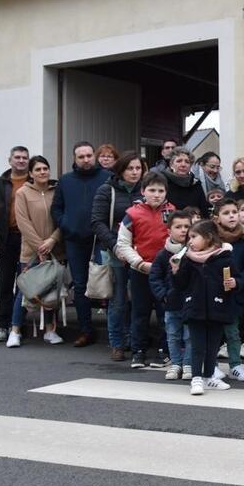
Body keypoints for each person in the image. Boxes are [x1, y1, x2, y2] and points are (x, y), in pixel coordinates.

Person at [51, 141, 110, 347]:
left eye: (89, 155)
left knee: (106, 284)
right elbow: (56, 209)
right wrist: (66, 224)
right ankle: (86, 330)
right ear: (74, 159)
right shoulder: (65, 181)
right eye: (81, 157)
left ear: (94, 156)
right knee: (80, 285)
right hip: (74, 241)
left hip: (101, 241)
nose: (86, 160)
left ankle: (115, 332)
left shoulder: (107, 178)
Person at [115, 171, 175, 368]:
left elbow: (181, 238)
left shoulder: (173, 213)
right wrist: (139, 263)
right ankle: (138, 351)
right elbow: (123, 244)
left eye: (160, 190)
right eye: (152, 190)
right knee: (139, 313)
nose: (156, 194)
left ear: (166, 192)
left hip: (165, 273)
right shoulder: (132, 214)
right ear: (143, 191)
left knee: (165, 312)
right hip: (140, 270)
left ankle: (165, 351)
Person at [171, 219, 238, 395]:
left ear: (208, 238)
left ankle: (209, 376)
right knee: (198, 344)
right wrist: (176, 271)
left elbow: (238, 277)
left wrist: (234, 282)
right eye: (189, 238)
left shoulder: (224, 257)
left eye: (194, 236)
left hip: (218, 307)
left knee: (213, 345)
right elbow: (180, 285)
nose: (190, 241)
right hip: (195, 307)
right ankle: (196, 378)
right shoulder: (188, 259)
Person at [7, 155, 64, 347]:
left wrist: (52, 241)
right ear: (30, 173)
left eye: (45, 169)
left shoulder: (57, 191)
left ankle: (50, 330)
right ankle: (14, 330)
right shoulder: (23, 193)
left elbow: (63, 219)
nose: (42, 172)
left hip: (54, 249)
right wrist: (40, 246)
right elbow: (23, 223)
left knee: (50, 291)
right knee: (25, 291)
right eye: (38, 169)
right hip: (31, 252)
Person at [91, 153, 143, 360]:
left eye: (138, 168)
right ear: (121, 170)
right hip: (115, 253)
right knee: (118, 300)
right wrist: (116, 247)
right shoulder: (107, 190)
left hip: (139, 253)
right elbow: (97, 222)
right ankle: (117, 342)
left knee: (137, 299)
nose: (134, 172)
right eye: (130, 168)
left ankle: (133, 338)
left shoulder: (145, 190)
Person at [0, 146, 31, 343]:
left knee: (25, 285)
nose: (21, 161)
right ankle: (1, 325)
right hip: (6, 239)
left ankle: (18, 325)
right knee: (5, 283)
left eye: (24, 158)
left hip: (28, 240)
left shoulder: (34, 181)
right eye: (17, 157)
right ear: (9, 160)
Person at [211, 198, 244, 382]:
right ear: (217, 218)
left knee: (233, 331)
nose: (231, 216)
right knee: (213, 331)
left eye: (234, 212)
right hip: (212, 292)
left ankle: (235, 365)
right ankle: (211, 366)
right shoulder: (211, 238)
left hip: (234, 293)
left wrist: (239, 283)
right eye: (226, 213)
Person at [149, 210, 192, 380]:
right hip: (171, 303)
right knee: (172, 335)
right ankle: (176, 364)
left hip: (190, 303)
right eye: (178, 227)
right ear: (169, 231)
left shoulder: (194, 252)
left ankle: (188, 364)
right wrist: (163, 295)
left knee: (189, 336)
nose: (183, 230)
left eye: (187, 227)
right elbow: (155, 277)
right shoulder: (162, 254)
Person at [162, 147, 208, 216]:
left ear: (190, 166)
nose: (183, 165)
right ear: (171, 165)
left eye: (187, 162)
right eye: (179, 161)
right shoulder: (163, 182)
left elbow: (204, 212)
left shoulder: (196, 184)